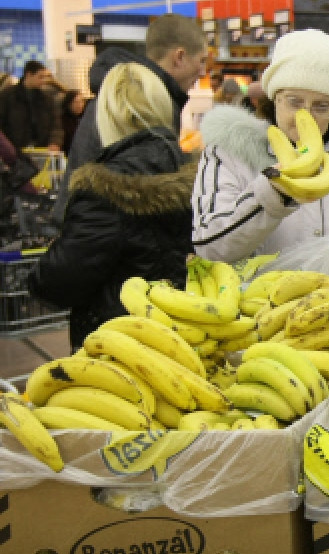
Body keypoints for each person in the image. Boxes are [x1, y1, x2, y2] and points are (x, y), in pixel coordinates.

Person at [29, 63, 195, 349]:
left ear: (106, 114)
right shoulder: (200, 174)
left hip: (118, 351)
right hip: (191, 339)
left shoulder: (103, 189)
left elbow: (60, 281)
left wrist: (44, 264)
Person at [191, 29, 329, 262]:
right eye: (294, 101)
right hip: (259, 298)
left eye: (321, 105)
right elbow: (210, 248)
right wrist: (273, 194)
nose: (304, 115)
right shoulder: (229, 154)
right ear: (274, 98)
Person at [53, 14, 207, 224]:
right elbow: (140, 183)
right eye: (201, 61)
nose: (203, 71)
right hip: (106, 236)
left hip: (89, 228)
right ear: (179, 57)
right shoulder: (140, 102)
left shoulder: (122, 92)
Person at [0, 61, 61, 151]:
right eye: (40, 77)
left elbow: (56, 125)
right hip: (14, 152)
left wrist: (55, 142)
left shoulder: (47, 99)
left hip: (42, 151)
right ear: (28, 75)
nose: (43, 81)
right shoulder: (7, 96)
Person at [59, 90, 88, 159]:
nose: (79, 105)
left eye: (81, 101)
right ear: (69, 104)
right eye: (76, 102)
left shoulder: (86, 118)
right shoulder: (62, 120)